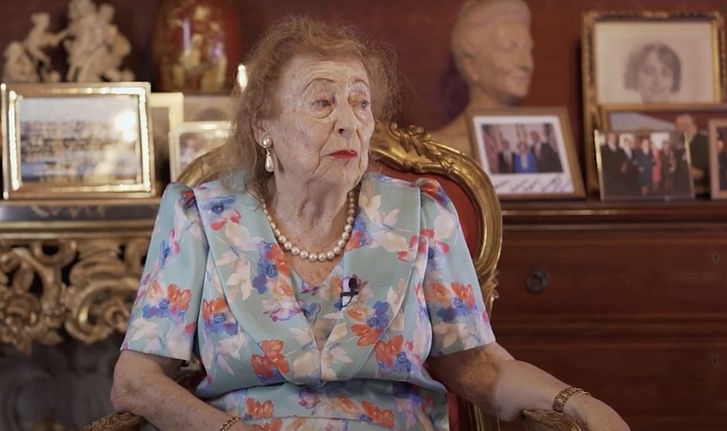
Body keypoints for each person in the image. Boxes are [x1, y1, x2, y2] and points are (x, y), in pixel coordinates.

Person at [110, 17, 628, 431]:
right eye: (322, 102)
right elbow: (135, 380)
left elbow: (480, 367)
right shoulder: (201, 217)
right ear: (263, 125)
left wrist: (577, 401)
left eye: (361, 103)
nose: (349, 122)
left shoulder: (422, 213)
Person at [431, 0, 533, 156]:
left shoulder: (538, 142)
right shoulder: (441, 148)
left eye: (529, 50)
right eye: (509, 47)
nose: (526, 64)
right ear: (470, 66)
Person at [674, 113, 709, 195]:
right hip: (679, 190)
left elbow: (717, 167)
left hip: (703, 189)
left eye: (685, 125)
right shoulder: (675, 144)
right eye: (678, 126)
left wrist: (702, 173)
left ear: (694, 125)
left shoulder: (707, 141)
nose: (681, 128)